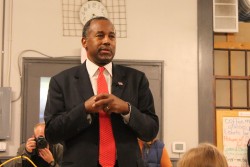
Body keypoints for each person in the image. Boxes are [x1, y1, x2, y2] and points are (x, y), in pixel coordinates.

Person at [44, 16, 159, 167]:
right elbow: (52, 133)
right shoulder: (61, 81)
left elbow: (150, 131)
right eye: (100, 35)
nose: (107, 41)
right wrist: (84, 109)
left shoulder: (136, 79)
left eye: (112, 36)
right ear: (84, 42)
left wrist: (127, 109)